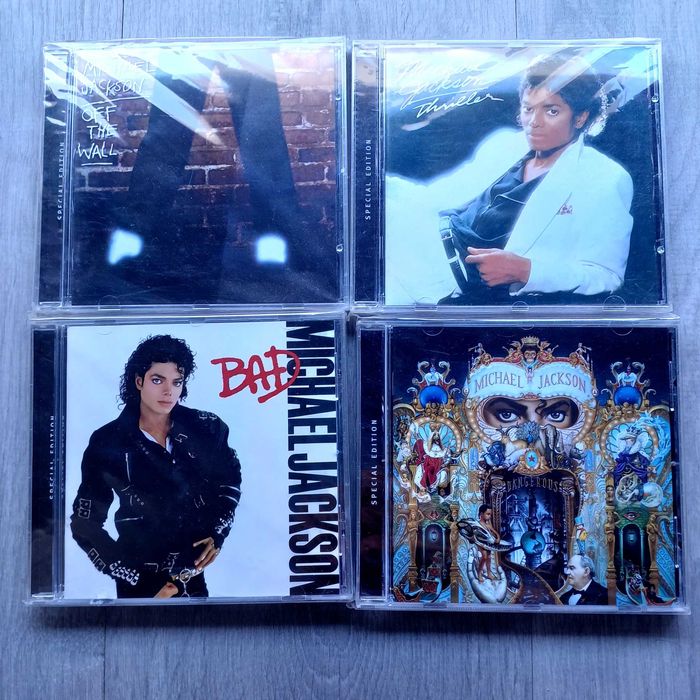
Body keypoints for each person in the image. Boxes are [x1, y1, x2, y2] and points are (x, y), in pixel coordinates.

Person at [433, 53, 633, 304]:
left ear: (580, 117)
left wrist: (527, 271)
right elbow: (441, 196)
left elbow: (606, 276)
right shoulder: (504, 145)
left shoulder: (605, 177)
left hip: (472, 296)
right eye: (528, 109)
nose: (534, 123)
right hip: (429, 254)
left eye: (552, 111)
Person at [70, 335, 242, 599]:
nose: (168, 391)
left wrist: (218, 531)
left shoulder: (206, 428)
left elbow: (228, 481)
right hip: (138, 581)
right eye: (158, 380)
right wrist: (132, 576)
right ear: (139, 381)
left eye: (177, 382)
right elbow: (85, 522)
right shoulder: (108, 441)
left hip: (191, 577)